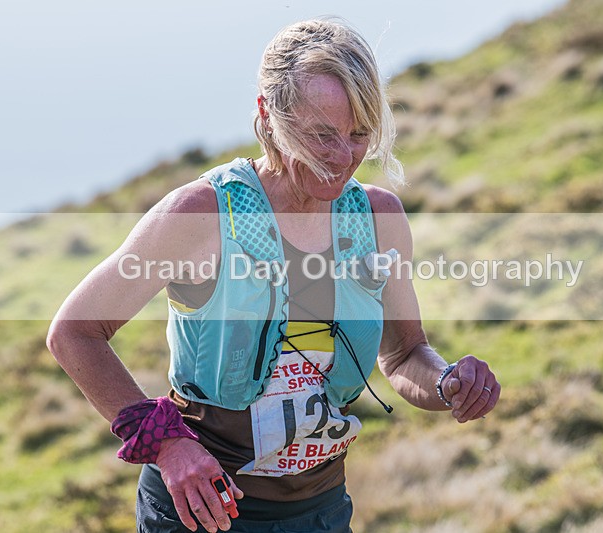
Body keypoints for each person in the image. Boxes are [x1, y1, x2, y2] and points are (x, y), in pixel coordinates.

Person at [47, 18, 500, 533]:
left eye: (358, 135)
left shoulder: (378, 219)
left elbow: (402, 354)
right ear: (269, 114)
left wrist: (447, 383)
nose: (342, 158)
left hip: (322, 512)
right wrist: (167, 445)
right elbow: (74, 332)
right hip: (204, 515)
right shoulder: (202, 216)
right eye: (321, 135)